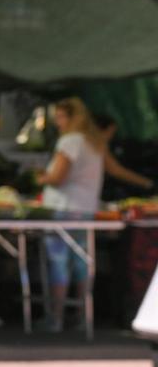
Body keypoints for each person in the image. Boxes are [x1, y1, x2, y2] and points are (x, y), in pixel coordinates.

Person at [36, 99, 153, 332]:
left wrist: (39, 177)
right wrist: (148, 183)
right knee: (82, 265)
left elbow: (57, 177)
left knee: (59, 263)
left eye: (60, 117)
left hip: (63, 209)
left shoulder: (69, 141)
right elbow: (115, 170)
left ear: (71, 118)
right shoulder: (94, 141)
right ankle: (82, 317)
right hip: (86, 210)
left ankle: (55, 317)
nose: (57, 123)